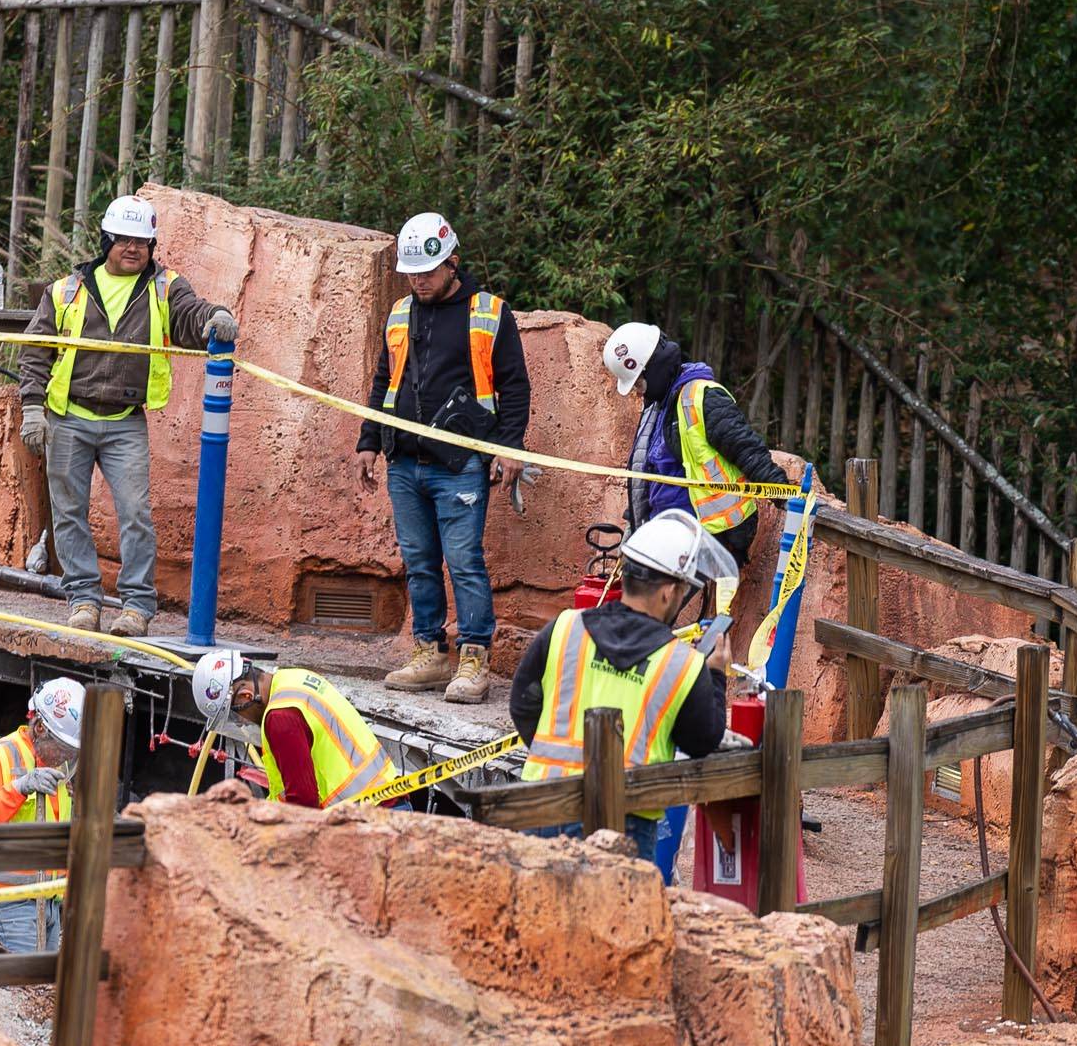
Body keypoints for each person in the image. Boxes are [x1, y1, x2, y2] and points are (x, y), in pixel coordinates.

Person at [16, 195, 238, 639]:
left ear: (152, 245)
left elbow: (190, 315)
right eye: (123, 240)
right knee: (69, 513)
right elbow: (36, 349)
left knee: (135, 513)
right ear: (106, 241)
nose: (132, 249)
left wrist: (215, 316)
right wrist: (32, 407)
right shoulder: (68, 289)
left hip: (124, 421)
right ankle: (83, 600)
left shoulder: (164, 286)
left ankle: (136, 608)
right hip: (68, 416)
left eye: (142, 241)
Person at [357, 211, 532, 705]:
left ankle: (474, 658)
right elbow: (381, 382)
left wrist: (509, 447)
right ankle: (429, 653)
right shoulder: (399, 313)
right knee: (418, 561)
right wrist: (369, 440)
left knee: (463, 561)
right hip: (404, 461)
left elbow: (514, 387)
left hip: (459, 463)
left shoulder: (489, 312)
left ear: (453, 262)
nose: (418, 281)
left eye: (427, 272)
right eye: (411, 273)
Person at [508, 510, 738, 862]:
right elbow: (703, 740)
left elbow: (523, 705)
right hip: (627, 821)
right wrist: (717, 676)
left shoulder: (565, 627)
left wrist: (553, 760)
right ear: (667, 593)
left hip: (543, 803)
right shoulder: (682, 663)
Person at [602, 321, 790, 574]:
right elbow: (648, 471)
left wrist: (784, 493)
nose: (637, 391)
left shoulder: (702, 397)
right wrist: (633, 522)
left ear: (652, 368)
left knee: (652, 592)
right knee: (636, 577)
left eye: (637, 383)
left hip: (716, 530)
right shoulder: (658, 408)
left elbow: (746, 448)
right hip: (673, 528)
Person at [0, 677, 84, 952]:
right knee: (23, 988)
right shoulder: (5, 755)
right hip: (10, 902)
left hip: (47, 899)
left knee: (40, 991)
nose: (66, 759)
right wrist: (18, 789)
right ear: (40, 727)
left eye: (72, 753)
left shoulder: (55, 769)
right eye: (63, 750)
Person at [191, 649, 392, 809]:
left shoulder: (280, 718)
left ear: (246, 696)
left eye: (236, 716)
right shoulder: (292, 679)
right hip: (384, 800)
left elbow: (302, 804)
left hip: (367, 819)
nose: (242, 723)